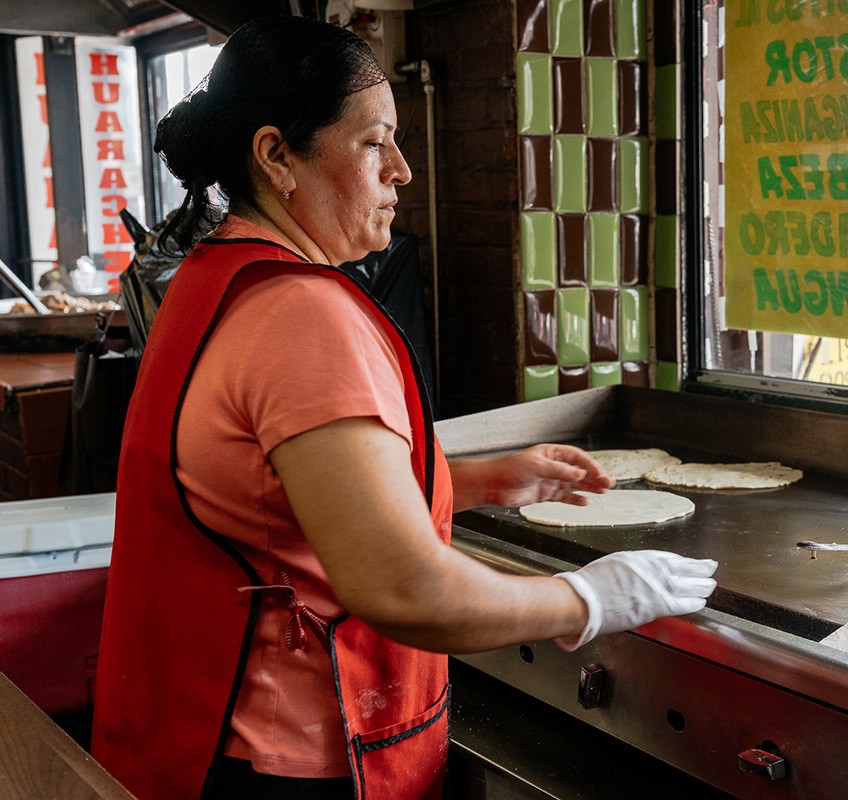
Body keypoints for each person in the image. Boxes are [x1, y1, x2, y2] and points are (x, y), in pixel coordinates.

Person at [90, 16, 717, 800]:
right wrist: (593, 598)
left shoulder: (213, 278)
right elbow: (404, 592)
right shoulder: (301, 315)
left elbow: (271, 482)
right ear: (277, 155)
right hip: (292, 757)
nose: (403, 170)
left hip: (199, 740)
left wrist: (475, 480)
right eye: (373, 142)